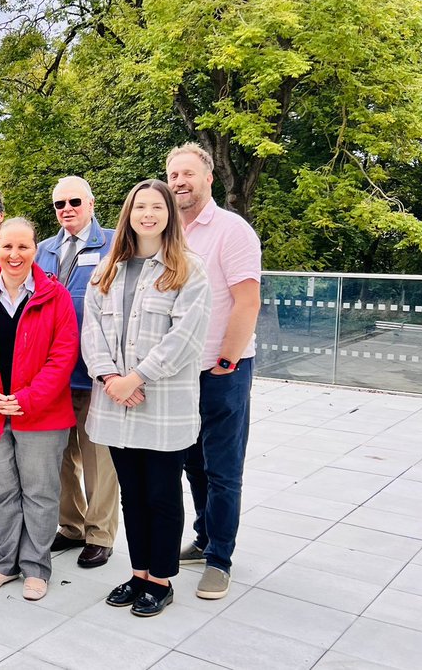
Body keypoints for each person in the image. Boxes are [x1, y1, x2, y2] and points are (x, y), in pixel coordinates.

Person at [82, 179, 211, 617]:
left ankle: (161, 578)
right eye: (141, 207)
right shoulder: (107, 269)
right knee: (131, 495)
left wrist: (136, 377)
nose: (149, 214)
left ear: (169, 214)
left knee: (161, 493)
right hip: (116, 401)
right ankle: (138, 572)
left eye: (158, 206)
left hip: (161, 404)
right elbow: (91, 330)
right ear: (129, 214)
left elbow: (185, 339)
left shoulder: (189, 269)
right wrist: (110, 377)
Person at [0, 217, 78, 600]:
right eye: (7, 246)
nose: (14, 254)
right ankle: (6, 563)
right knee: (1, 492)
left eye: (23, 247)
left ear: (35, 250)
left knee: (40, 492)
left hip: (41, 414)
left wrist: (24, 400)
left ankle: (37, 568)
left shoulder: (54, 296)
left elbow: (63, 356)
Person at [166, 143, 262, 600]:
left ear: (207, 178)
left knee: (223, 468)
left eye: (187, 173)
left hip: (224, 369)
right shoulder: (168, 233)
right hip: (182, 372)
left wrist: (226, 359)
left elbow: (247, 300)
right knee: (193, 464)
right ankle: (205, 538)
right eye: (172, 175)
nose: (179, 182)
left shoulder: (232, 230)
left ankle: (220, 559)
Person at [35, 176, 120, 569]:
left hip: (96, 369)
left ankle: (100, 533)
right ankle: (70, 526)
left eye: (73, 201)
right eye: (59, 204)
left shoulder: (115, 243)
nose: (66, 209)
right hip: (54, 372)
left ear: (90, 202)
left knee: (98, 455)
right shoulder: (43, 250)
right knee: (60, 455)